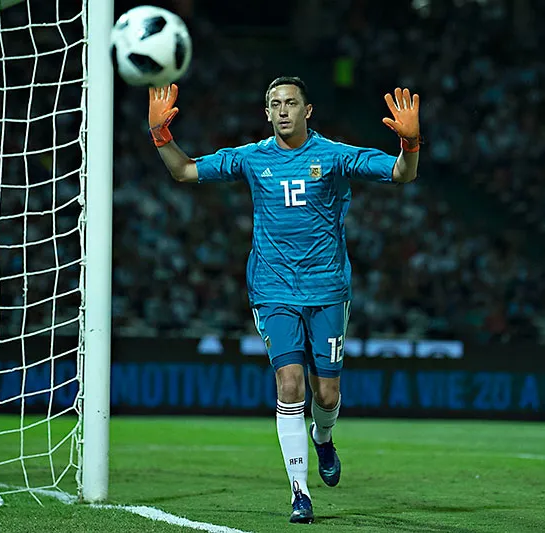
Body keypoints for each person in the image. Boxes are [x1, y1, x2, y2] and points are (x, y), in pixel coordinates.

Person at [148, 76, 420, 524]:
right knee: (289, 384)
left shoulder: (334, 156)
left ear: (307, 111)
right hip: (272, 289)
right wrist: (161, 136)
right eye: (275, 104)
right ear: (267, 113)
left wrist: (411, 143)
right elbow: (184, 171)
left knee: (326, 394)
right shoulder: (253, 159)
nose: (283, 110)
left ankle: (324, 438)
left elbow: (400, 173)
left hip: (328, 289)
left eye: (291, 102)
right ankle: (299, 492)